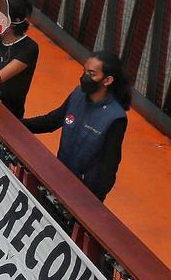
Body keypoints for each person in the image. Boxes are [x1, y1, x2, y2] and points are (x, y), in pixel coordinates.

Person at [23, 51, 132, 202]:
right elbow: (50, 121)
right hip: (59, 178)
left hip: (83, 192)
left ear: (107, 80)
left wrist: (94, 200)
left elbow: (110, 165)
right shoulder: (77, 94)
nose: (84, 77)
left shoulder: (115, 117)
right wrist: (15, 123)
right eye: (84, 71)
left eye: (91, 74)